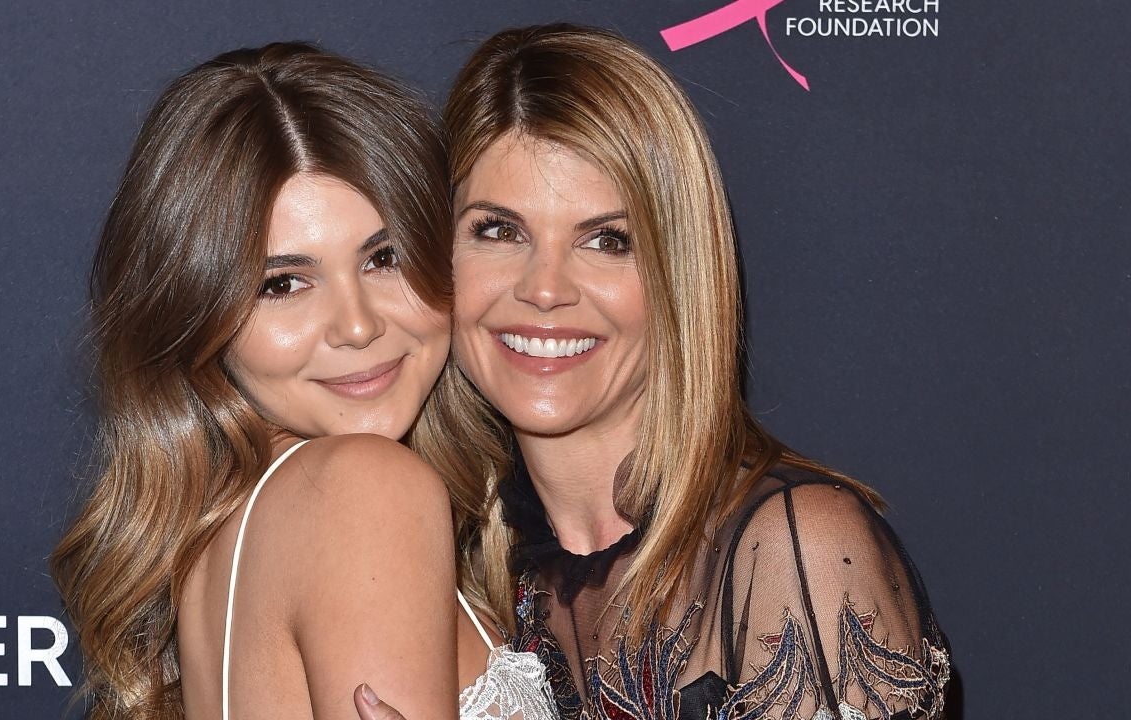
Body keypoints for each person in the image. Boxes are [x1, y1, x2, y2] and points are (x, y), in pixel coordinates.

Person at [360, 24, 949, 720]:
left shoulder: (795, 548)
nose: (544, 289)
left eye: (607, 241)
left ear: (679, 276)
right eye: (499, 231)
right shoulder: (458, 581)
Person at [52, 43, 555, 720]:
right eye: (283, 284)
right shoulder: (363, 487)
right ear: (199, 316)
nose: (357, 326)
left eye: (385, 258)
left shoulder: (230, 535)